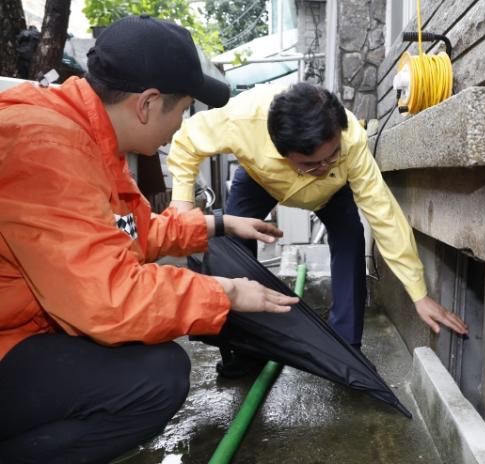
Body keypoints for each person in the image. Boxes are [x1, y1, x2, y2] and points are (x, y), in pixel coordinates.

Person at [0, 15, 298, 463]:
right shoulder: (47, 147)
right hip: (10, 338)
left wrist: (219, 224)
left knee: (150, 347)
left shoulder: (88, 134)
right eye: (183, 110)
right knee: (157, 379)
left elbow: (132, 231)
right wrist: (227, 293)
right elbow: (109, 300)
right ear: (148, 103)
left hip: (22, 327)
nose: (182, 125)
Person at [167, 82, 469, 377]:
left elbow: (384, 214)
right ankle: (247, 350)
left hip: (331, 194)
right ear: (282, 150)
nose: (324, 167)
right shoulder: (242, 119)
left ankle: (346, 351)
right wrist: (182, 204)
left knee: (351, 239)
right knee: (232, 248)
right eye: (311, 163)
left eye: (332, 156)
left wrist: (419, 294)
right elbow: (186, 140)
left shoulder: (351, 140)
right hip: (260, 181)